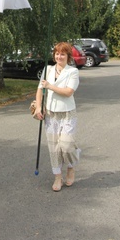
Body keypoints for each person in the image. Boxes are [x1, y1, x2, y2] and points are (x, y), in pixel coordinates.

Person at [34, 42, 81, 192]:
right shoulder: (48, 69)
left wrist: (50, 86)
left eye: (63, 54)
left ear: (68, 57)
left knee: (66, 146)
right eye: (57, 53)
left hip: (67, 113)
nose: (59, 56)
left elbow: (68, 92)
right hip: (51, 113)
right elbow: (40, 90)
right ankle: (57, 177)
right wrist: (38, 107)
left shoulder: (72, 72)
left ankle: (71, 166)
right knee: (54, 148)